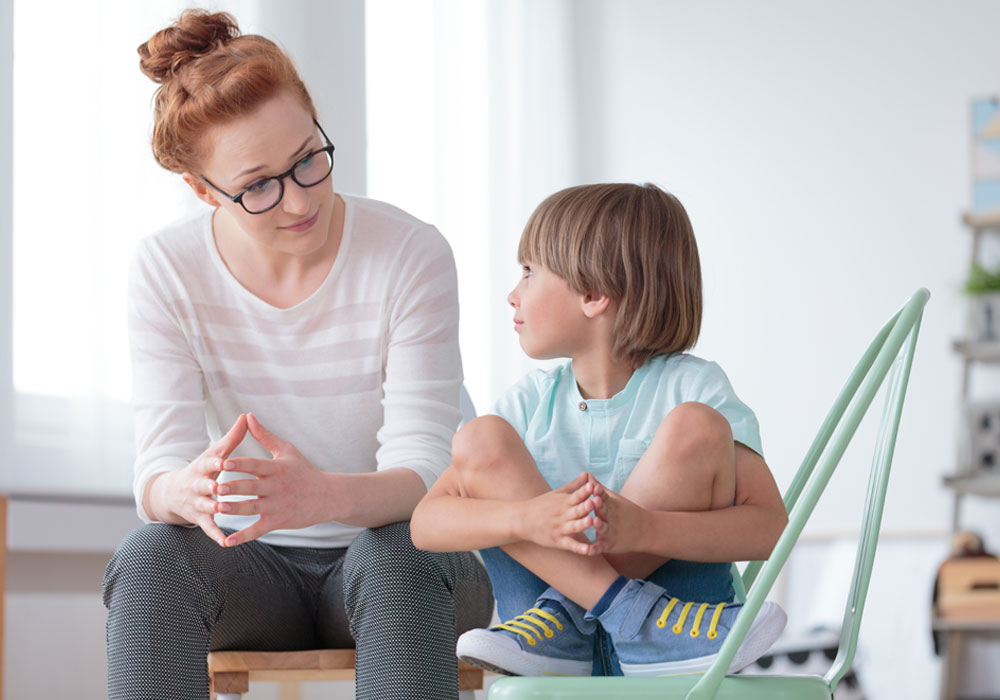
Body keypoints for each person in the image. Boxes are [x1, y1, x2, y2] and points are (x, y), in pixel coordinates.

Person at [101, 9, 492, 700]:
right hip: (252, 575)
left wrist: (324, 495)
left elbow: (426, 473)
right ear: (202, 191)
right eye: (258, 186)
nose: (299, 200)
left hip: (401, 564)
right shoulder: (167, 268)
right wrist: (181, 490)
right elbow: (155, 474)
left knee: (396, 550)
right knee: (152, 556)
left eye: (308, 158)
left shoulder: (409, 254)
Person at [411, 182, 788, 677]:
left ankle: (582, 618)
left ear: (592, 294)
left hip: (683, 644)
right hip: (550, 649)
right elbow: (426, 524)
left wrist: (646, 527)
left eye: (529, 272)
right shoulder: (525, 406)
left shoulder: (694, 390)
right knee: (480, 437)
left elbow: (769, 530)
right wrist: (528, 518)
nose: (513, 293)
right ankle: (606, 621)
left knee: (695, 426)